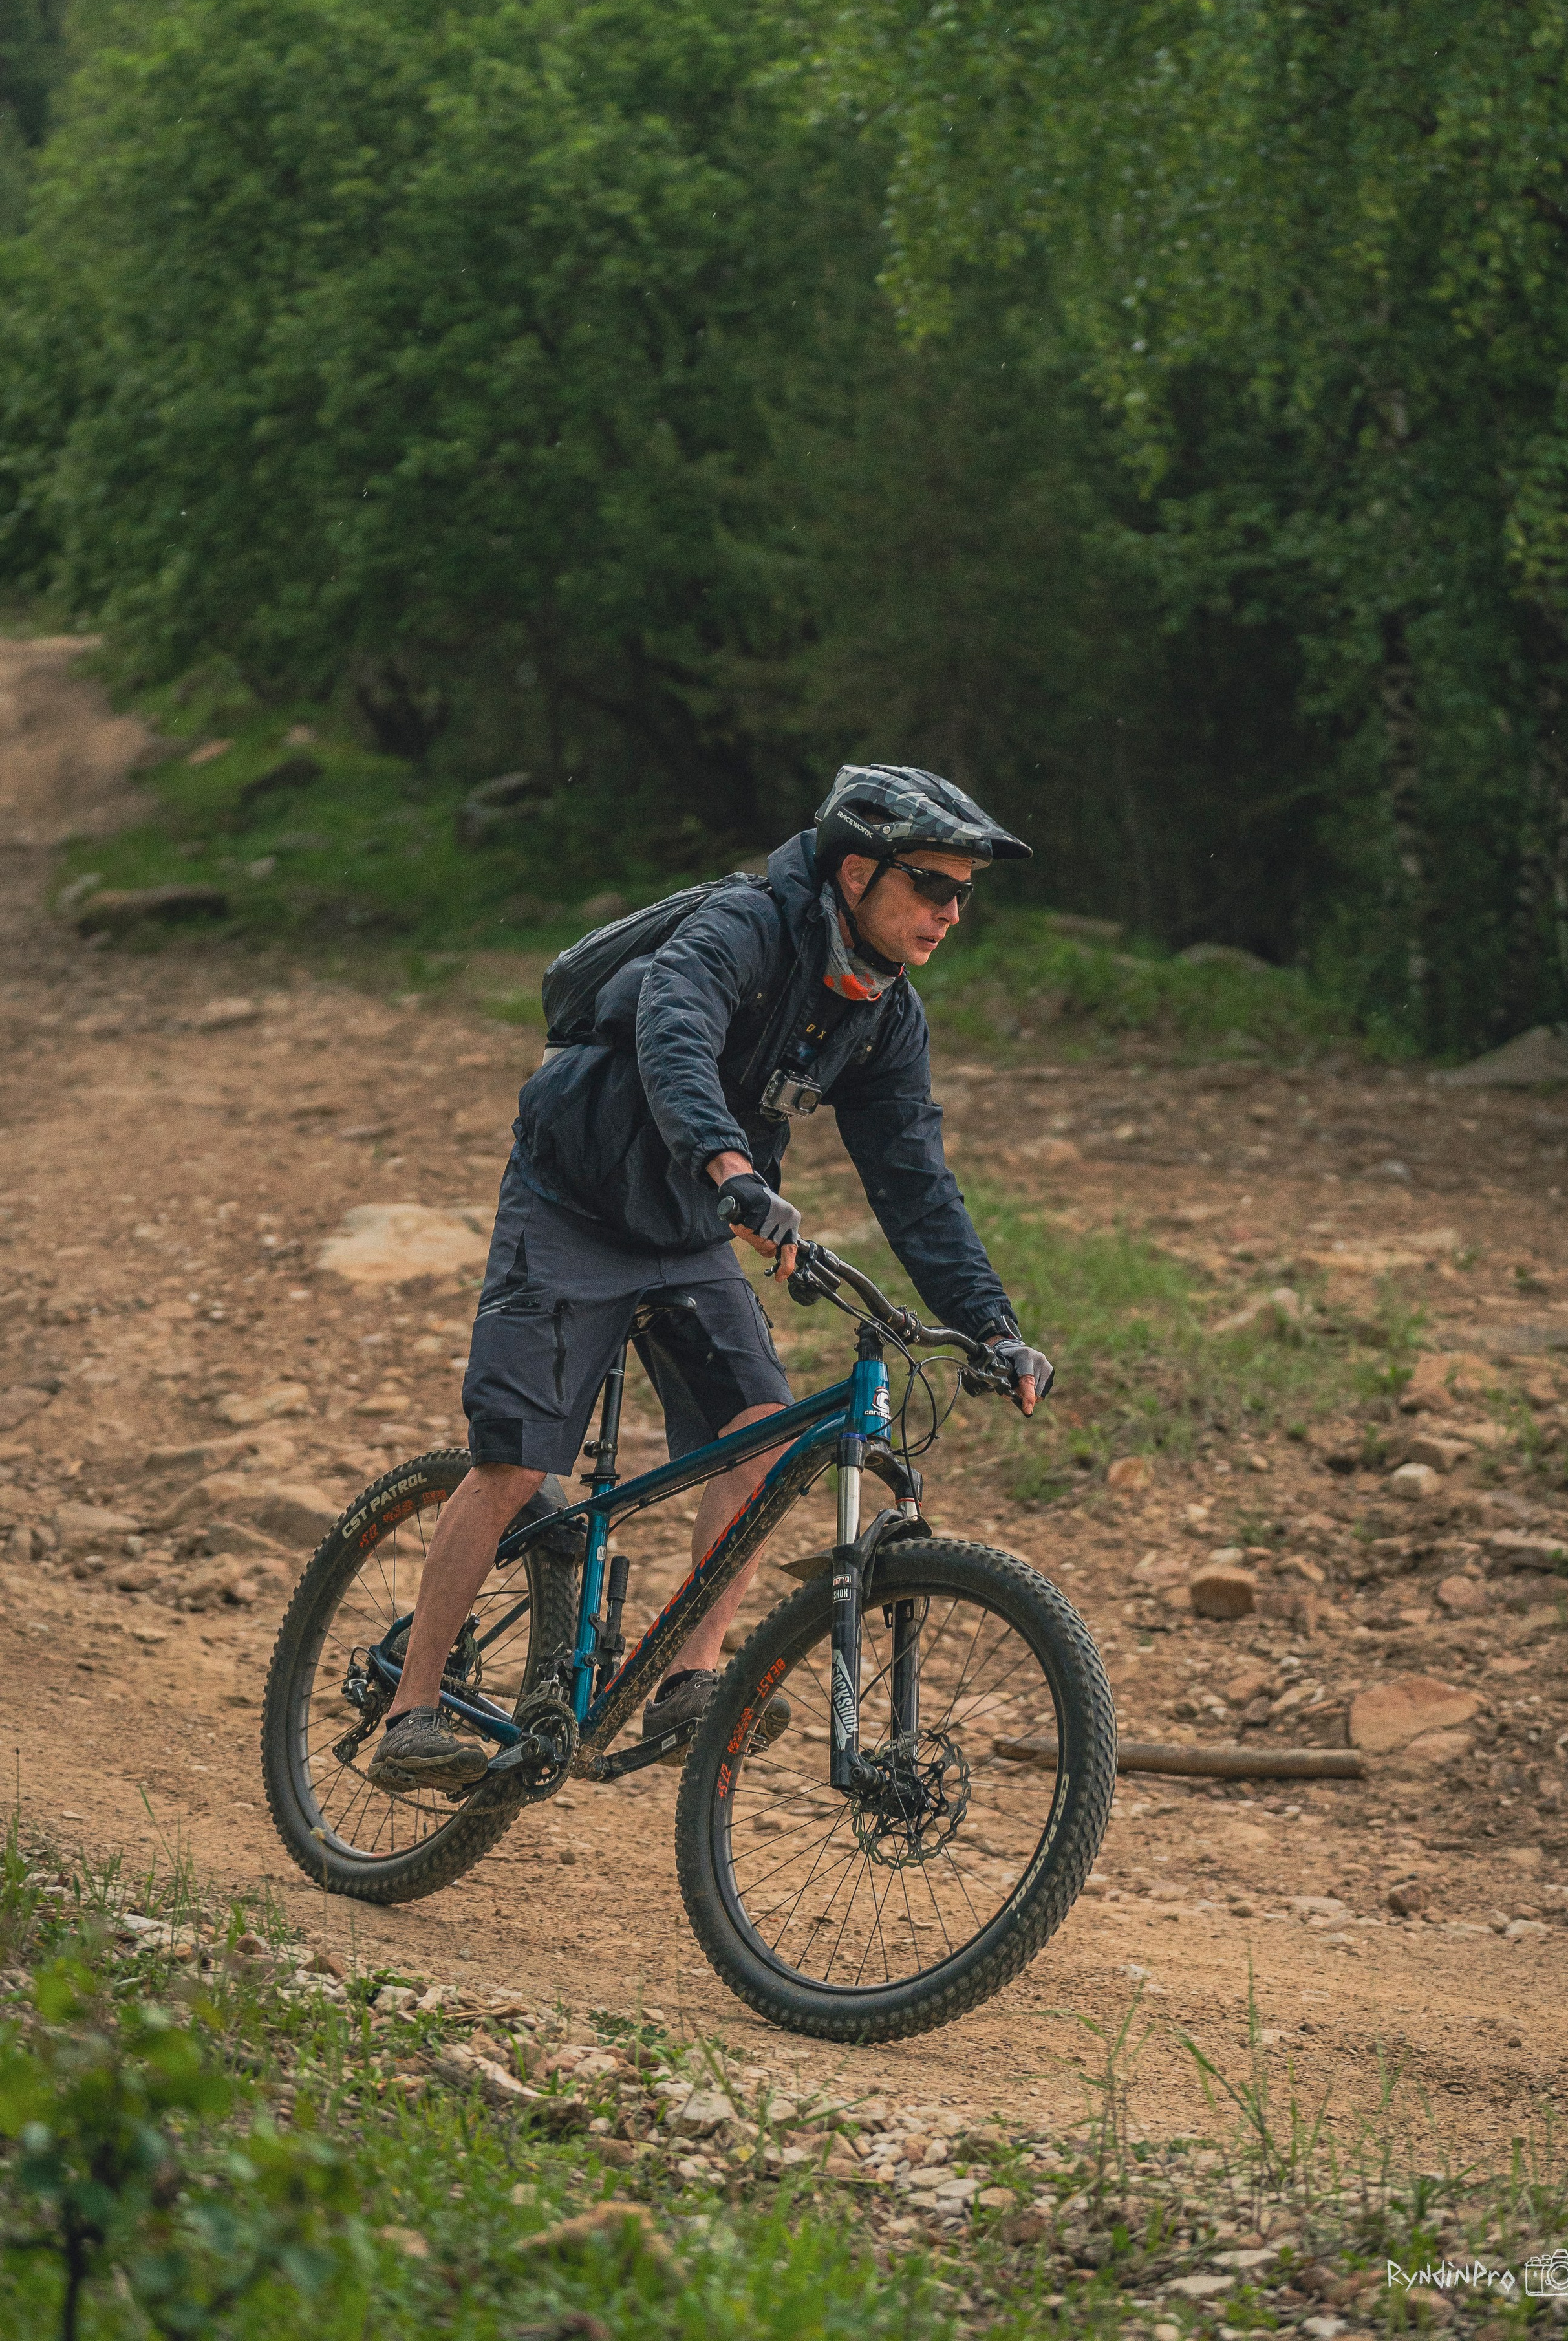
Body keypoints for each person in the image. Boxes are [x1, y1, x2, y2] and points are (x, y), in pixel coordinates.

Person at [368, 764, 1056, 1791]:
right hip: (573, 1202)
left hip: (690, 1227)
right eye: (931, 885)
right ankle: (411, 1709)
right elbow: (676, 1033)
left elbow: (915, 1181)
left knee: (760, 1439)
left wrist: (992, 1325)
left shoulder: (883, 1013)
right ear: (858, 872)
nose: (952, 912)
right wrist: (731, 1168)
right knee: (514, 1462)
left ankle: (692, 1679)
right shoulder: (744, 926)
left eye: (965, 894)